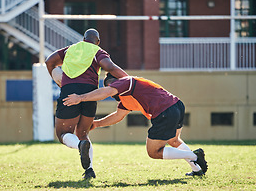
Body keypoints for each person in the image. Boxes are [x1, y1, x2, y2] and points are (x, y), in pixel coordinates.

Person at [63, 73, 208, 177]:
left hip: (164, 111)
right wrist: (97, 124)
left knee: (154, 152)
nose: (112, 91)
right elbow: (118, 116)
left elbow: (106, 91)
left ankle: (194, 156)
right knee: (174, 140)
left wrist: (80, 98)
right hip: (176, 105)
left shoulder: (126, 82)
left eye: (112, 86)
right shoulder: (127, 98)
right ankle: (196, 169)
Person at [45, 28, 128, 179]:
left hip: (70, 93)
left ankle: (79, 146)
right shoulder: (98, 51)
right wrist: (129, 79)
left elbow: (49, 61)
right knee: (83, 133)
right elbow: (109, 67)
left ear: (83, 39)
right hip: (90, 95)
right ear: (98, 42)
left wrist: (58, 79)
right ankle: (89, 170)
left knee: (63, 133)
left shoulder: (71, 49)